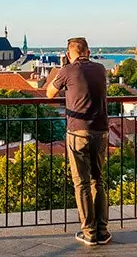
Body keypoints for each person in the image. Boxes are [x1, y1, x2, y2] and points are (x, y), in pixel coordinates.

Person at [47, 37, 110, 246]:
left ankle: (89, 231)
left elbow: (49, 93)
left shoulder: (67, 70)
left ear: (68, 53)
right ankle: (103, 229)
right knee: (98, 180)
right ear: (88, 52)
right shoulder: (101, 69)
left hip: (78, 131)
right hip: (101, 130)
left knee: (81, 182)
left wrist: (61, 69)